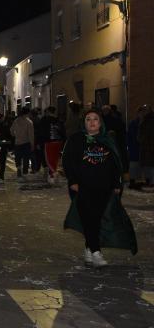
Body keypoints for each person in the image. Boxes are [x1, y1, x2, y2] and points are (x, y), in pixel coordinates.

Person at [62, 109, 137, 267]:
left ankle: (89, 249)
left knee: (95, 219)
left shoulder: (108, 140)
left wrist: (117, 183)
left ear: (100, 123)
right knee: (88, 217)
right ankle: (96, 252)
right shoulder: (76, 139)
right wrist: (73, 181)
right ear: (84, 122)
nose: (92, 122)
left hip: (104, 187)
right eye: (88, 119)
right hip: (83, 186)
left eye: (95, 119)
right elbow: (68, 161)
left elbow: (116, 163)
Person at [39, 106, 65, 183]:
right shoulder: (59, 120)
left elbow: (41, 132)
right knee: (55, 159)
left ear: (48, 111)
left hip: (48, 142)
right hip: (58, 142)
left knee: (49, 160)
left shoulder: (44, 120)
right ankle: (52, 175)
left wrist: (40, 142)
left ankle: (52, 175)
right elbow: (63, 131)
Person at [127, 105, 148, 189]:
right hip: (135, 148)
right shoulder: (133, 123)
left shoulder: (147, 123)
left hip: (144, 149)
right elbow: (130, 136)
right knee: (134, 165)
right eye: (141, 112)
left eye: (144, 112)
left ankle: (144, 181)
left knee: (145, 166)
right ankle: (133, 181)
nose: (143, 114)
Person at [10, 107, 34, 178]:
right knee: (26, 158)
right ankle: (25, 172)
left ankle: (19, 169)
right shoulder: (29, 122)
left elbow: (11, 130)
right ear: (28, 113)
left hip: (17, 142)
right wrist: (32, 144)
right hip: (26, 143)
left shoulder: (16, 121)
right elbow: (31, 135)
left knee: (18, 157)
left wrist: (15, 135)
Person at [138, 105, 154, 187]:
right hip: (146, 145)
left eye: (145, 110)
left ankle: (151, 181)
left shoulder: (149, 120)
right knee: (148, 164)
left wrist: (142, 139)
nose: (144, 111)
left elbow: (147, 133)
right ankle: (149, 180)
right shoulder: (144, 120)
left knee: (150, 164)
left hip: (149, 145)